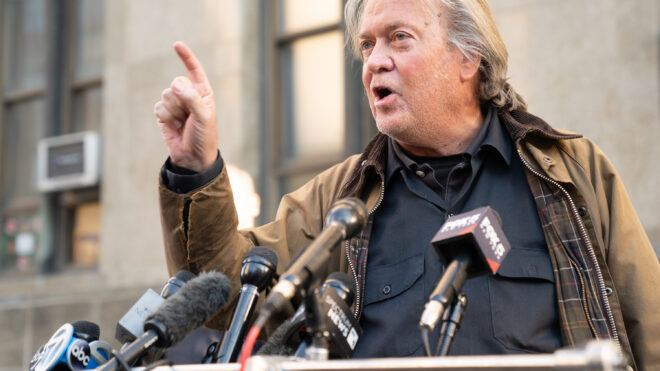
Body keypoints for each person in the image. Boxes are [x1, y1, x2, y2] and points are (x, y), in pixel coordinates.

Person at [153, 0, 659, 369]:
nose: (374, 60)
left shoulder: (572, 172)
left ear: (468, 59)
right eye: (367, 45)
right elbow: (222, 294)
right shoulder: (340, 198)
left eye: (399, 38)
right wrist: (195, 167)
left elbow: (650, 330)